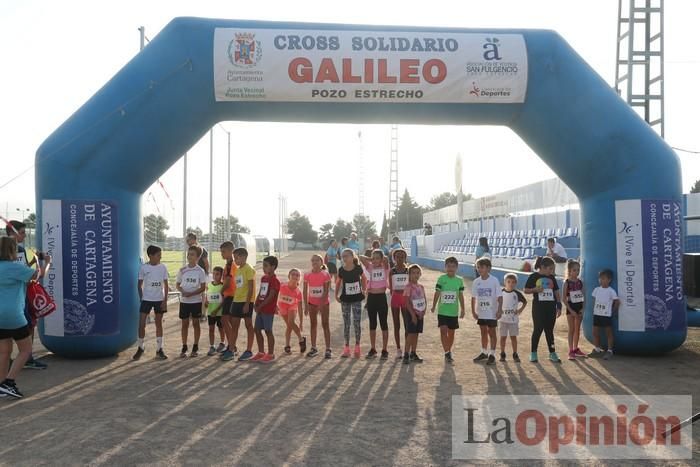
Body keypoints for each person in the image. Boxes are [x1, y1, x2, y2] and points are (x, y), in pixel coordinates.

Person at [0, 237, 51, 398]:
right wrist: (46, 262)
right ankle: (9, 382)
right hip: (13, 315)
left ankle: (1, 385)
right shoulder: (15, 268)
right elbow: (38, 275)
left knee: (4, 352)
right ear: (11, 251)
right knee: (25, 350)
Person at [5, 220, 46, 369]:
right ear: (12, 233)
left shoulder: (22, 250)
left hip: (21, 297)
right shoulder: (10, 254)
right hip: (15, 300)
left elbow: (30, 264)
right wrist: (46, 264)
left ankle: (25, 358)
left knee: (29, 324)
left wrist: (38, 257)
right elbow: (33, 274)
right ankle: (18, 359)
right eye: (22, 232)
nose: (25, 235)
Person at [134, 245, 169, 360]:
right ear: (151, 256)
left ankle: (159, 349)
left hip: (159, 299)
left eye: (161, 255)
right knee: (141, 324)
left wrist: (165, 300)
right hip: (146, 300)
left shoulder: (163, 267)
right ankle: (141, 347)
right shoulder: (144, 268)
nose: (160, 257)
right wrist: (141, 298)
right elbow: (139, 285)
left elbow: (166, 285)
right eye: (158, 255)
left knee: (158, 323)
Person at [524, 256, 562, 363]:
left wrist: (559, 306)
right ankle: (533, 353)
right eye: (550, 269)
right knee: (538, 329)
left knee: (549, 331)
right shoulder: (534, 276)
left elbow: (557, 293)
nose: (552, 271)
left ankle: (552, 352)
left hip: (551, 308)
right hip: (538, 308)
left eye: (552, 269)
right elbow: (525, 290)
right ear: (542, 267)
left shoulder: (552, 278)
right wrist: (535, 290)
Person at [430, 256, 465, 364]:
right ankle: (447, 352)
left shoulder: (459, 280)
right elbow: (437, 293)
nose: (451, 268)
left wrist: (463, 308)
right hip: (443, 311)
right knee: (443, 330)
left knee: (451, 333)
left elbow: (460, 295)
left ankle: (448, 351)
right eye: (448, 266)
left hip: (453, 312)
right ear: (445, 267)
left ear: (457, 268)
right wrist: (434, 305)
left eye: (453, 266)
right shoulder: (441, 279)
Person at [176, 245, 207, 357]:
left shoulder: (200, 271)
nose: (189, 256)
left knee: (195, 323)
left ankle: (195, 346)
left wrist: (192, 294)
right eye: (188, 254)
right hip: (184, 302)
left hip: (196, 302)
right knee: (184, 324)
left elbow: (203, 287)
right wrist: (182, 291)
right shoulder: (182, 270)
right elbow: (177, 285)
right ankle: (184, 347)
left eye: (192, 254)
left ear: (197, 257)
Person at [359, 249, 391, 359]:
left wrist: (381, 259)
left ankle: (385, 350)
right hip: (371, 298)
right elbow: (361, 257)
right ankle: (373, 349)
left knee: (383, 324)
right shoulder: (370, 267)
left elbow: (386, 259)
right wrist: (371, 259)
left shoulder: (385, 267)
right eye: (374, 258)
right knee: (372, 324)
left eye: (378, 258)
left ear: (381, 259)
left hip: (381, 298)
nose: (375, 260)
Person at [471, 257, 503, 365]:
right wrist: (473, 311)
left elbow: (500, 297)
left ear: (488, 268)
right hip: (481, 312)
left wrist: (499, 310)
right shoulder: (476, 282)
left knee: (492, 332)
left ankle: (492, 354)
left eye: (482, 267)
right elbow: (473, 297)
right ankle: (484, 352)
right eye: (478, 267)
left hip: (492, 313)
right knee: (483, 332)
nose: (479, 269)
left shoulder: (494, 280)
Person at [250, 256, 280, 363]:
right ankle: (261, 352)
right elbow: (261, 293)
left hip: (268, 310)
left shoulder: (275, 281)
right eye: (263, 265)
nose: (263, 268)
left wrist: (261, 306)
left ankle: (271, 354)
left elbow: (271, 296)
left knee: (268, 331)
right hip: (260, 309)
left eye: (266, 266)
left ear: (273, 267)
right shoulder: (264, 278)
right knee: (257, 330)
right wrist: (256, 302)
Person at [337, 248, 366, 358]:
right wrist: (336, 295)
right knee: (346, 323)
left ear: (352, 257)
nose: (344, 258)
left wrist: (364, 289)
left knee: (357, 322)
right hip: (345, 299)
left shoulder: (358, 268)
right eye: (343, 256)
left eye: (346, 256)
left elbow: (364, 278)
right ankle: (346, 347)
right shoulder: (341, 270)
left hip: (357, 298)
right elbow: (338, 282)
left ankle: (357, 346)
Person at [304, 254, 332, 359]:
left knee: (325, 324)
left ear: (321, 262)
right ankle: (314, 348)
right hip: (312, 303)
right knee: (313, 324)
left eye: (317, 260)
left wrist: (321, 304)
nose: (315, 262)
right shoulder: (307, 275)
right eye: (313, 260)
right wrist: (306, 305)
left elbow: (326, 290)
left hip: (324, 303)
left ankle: (328, 348)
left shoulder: (325, 274)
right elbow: (305, 290)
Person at [588, 269, 620, 360]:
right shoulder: (596, 289)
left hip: (606, 315)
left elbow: (617, 302)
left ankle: (610, 351)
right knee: (595, 332)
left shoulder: (611, 291)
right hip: (597, 314)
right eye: (600, 278)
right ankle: (597, 349)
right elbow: (594, 300)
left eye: (603, 278)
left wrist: (613, 311)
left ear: (609, 280)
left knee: (608, 333)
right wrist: (595, 310)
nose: (601, 280)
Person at [231, 247, 256, 361]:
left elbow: (250, 288)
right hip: (236, 300)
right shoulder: (237, 269)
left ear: (244, 257)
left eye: (237, 257)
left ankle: (249, 350)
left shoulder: (248, 269)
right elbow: (238, 286)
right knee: (234, 325)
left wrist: (247, 303)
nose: (235, 260)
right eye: (234, 258)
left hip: (246, 301)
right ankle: (231, 349)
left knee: (248, 325)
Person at [498, 273, 527, 363]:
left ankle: (515, 353)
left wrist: (520, 310)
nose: (511, 284)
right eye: (509, 282)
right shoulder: (500, 292)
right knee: (503, 337)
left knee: (513, 337)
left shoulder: (517, 293)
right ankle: (502, 353)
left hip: (513, 320)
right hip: (502, 319)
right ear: (505, 282)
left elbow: (525, 302)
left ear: (516, 283)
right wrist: (498, 310)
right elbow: (496, 302)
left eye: (513, 282)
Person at [278, 268, 306, 355]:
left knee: (291, 322)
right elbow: (274, 293)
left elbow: (300, 308)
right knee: (289, 326)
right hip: (282, 307)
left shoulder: (298, 292)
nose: (295, 276)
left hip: (292, 307)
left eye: (297, 275)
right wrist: (274, 306)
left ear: (299, 278)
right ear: (289, 276)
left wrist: (301, 322)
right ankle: (290, 344)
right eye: (293, 274)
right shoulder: (282, 285)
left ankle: (299, 340)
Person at [402, 264, 426, 364]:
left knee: (416, 334)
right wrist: (412, 315)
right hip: (411, 313)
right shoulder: (408, 287)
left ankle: (413, 353)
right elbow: (407, 302)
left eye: (417, 273)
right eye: (413, 273)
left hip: (420, 314)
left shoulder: (421, 287)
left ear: (420, 274)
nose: (415, 275)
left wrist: (423, 312)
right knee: (410, 334)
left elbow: (424, 300)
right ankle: (406, 354)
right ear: (409, 275)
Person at [563, 259, 586, 360]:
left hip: (579, 308)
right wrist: (571, 310)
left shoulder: (580, 282)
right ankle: (570, 350)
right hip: (570, 308)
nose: (576, 272)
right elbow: (564, 299)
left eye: (578, 270)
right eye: (574, 270)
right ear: (569, 271)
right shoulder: (566, 283)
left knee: (577, 329)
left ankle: (576, 348)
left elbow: (583, 297)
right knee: (571, 329)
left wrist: (582, 309)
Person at [219, 241, 238, 361]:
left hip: (231, 296)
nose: (222, 253)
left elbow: (228, 282)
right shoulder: (227, 265)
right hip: (228, 296)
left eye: (224, 251)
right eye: (221, 251)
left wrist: (219, 291)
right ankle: (231, 346)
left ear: (231, 251)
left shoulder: (232, 264)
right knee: (227, 321)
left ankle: (232, 348)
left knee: (225, 320)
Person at [389, 249, 409, 359]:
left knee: (407, 324)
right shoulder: (392, 271)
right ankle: (398, 349)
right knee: (397, 325)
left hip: (405, 299)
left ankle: (407, 348)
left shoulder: (408, 270)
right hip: (395, 299)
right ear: (394, 258)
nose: (400, 259)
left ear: (405, 257)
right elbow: (391, 289)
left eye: (402, 256)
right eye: (397, 257)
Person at [205, 266, 226, 356]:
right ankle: (212, 346)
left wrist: (217, 310)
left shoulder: (222, 286)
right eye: (213, 274)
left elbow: (223, 300)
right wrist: (206, 303)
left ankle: (222, 343)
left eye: (217, 274)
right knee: (211, 329)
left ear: (221, 275)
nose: (215, 276)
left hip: (219, 312)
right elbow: (207, 297)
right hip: (210, 312)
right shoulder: (209, 285)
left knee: (221, 328)